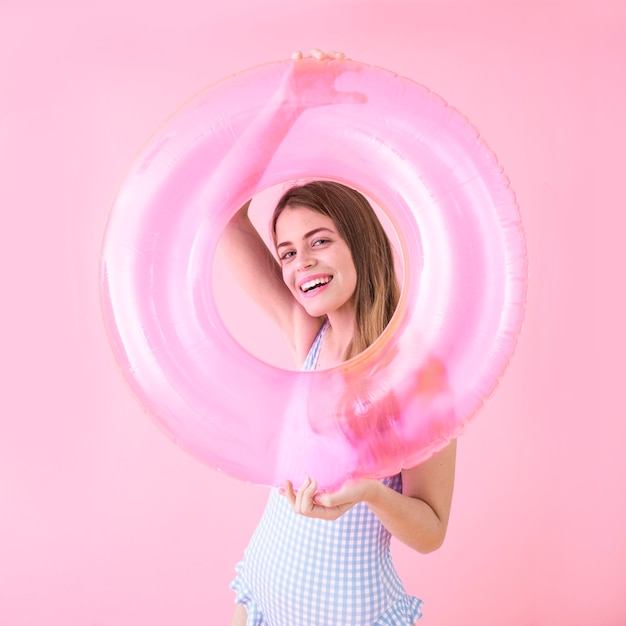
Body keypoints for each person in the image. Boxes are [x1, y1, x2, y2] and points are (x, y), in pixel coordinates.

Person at [219, 51, 457, 626]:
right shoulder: (311, 337)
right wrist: (286, 108)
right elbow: (223, 212)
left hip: (348, 612)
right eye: (288, 251)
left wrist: (368, 492)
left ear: (360, 242)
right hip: (263, 592)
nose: (302, 263)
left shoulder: (418, 374)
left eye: (319, 241)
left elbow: (430, 530)